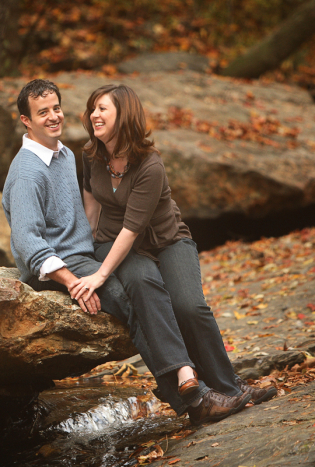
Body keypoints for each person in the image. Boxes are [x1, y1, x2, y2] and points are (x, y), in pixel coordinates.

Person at [73, 83, 277, 424]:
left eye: (102, 108)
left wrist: (100, 274)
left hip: (166, 240)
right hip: (115, 243)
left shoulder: (150, 165)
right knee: (144, 285)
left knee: (189, 306)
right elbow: (90, 202)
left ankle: (229, 388)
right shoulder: (91, 156)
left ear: (124, 115)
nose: (94, 114)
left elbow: (133, 228)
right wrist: (88, 249)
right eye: (92, 108)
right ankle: (191, 387)